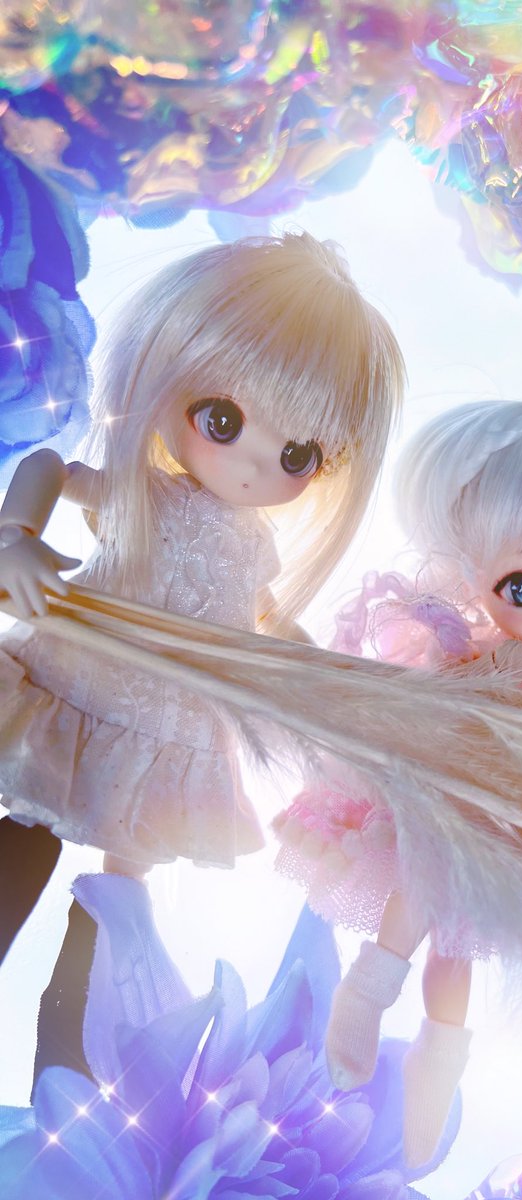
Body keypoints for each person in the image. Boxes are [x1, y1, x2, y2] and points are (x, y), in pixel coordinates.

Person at [0, 232, 405, 1086]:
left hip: (169, 736)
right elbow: (50, 466)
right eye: (222, 420)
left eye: (297, 456)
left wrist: (324, 679)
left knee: (120, 903)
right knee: (24, 831)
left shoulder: (252, 545)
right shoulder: (143, 494)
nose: (256, 466)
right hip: (77, 687)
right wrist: (15, 536)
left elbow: (266, 624)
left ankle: (73, 1059)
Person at [275, 400, 522, 1166]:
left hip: (500, 823)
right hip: (438, 804)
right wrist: (497, 667)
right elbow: (424, 709)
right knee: (425, 880)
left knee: (459, 951)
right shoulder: (450, 639)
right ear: (468, 561)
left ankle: (437, 1065)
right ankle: (367, 992)